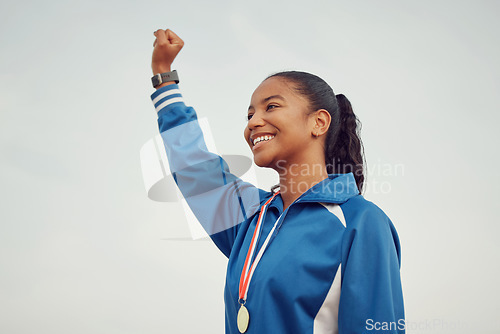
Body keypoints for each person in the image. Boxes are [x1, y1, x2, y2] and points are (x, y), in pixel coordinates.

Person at [149, 28, 405, 334]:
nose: (253, 122)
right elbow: (192, 166)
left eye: (271, 107)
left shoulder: (361, 222)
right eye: (249, 114)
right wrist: (164, 78)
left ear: (318, 122)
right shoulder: (251, 216)